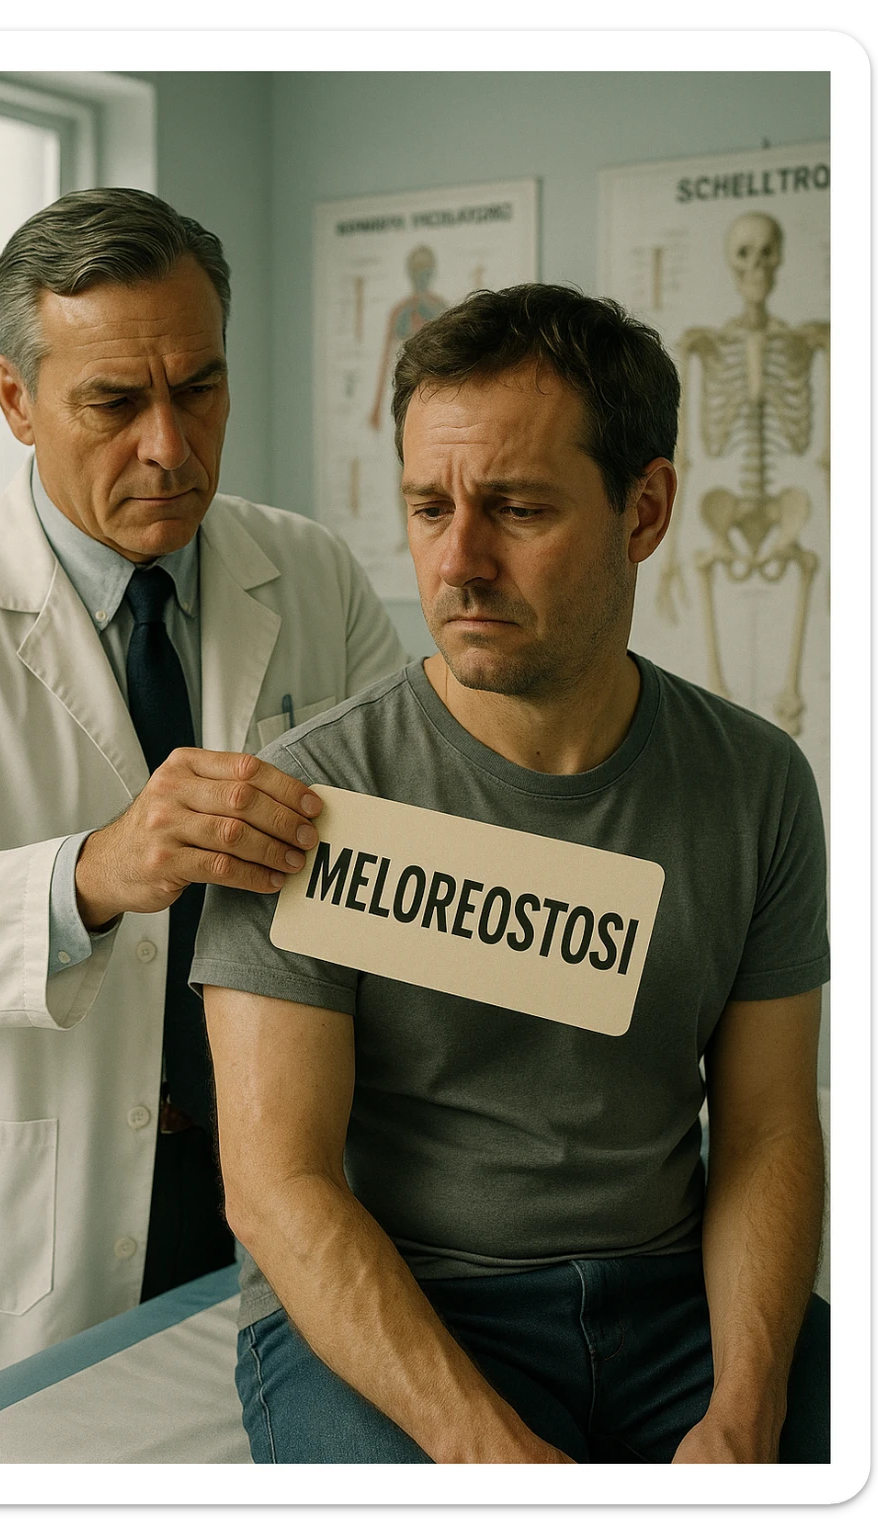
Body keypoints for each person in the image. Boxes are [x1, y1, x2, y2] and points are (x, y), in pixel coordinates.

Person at [192, 283, 831, 1464]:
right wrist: (493, 1453)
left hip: (669, 1299)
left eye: (518, 510)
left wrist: (745, 1412)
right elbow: (277, 1185)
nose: (459, 561)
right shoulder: (304, 802)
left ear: (644, 511)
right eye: (427, 508)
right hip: (406, 1309)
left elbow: (765, 1127)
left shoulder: (755, 785)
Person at [0, 187, 407, 1416]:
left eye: (200, 388)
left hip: (288, 1180)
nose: (171, 447)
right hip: (42, 1221)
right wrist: (93, 871)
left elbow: (407, 845)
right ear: (16, 401)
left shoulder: (313, 570)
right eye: (115, 404)